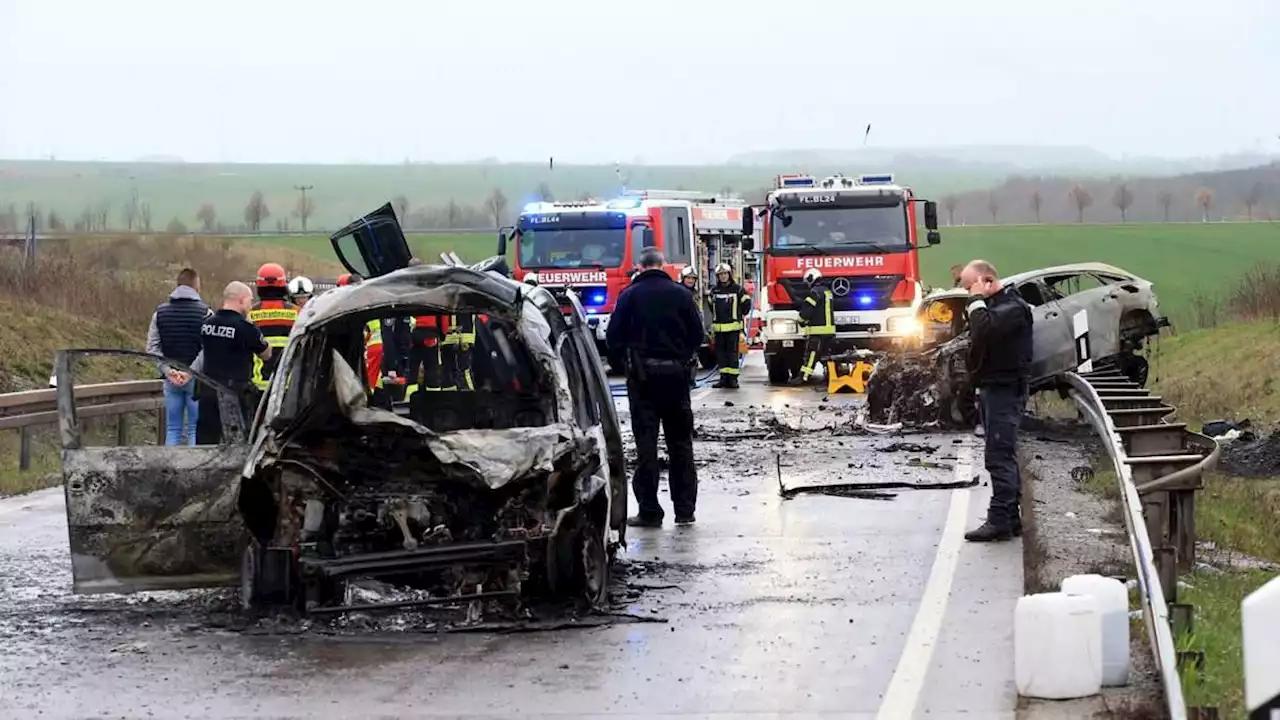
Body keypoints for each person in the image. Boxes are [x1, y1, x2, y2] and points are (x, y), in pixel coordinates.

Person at [606, 247, 705, 527]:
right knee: (681, 445)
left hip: (642, 379)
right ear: (662, 265)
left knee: (646, 447)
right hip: (676, 378)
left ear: (639, 266)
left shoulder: (628, 296)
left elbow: (613, 339)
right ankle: (685, 511)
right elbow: (698, 335)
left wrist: (626, 367)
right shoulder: (682, 295)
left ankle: (650, 511)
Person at [959, 259, 1033, 542]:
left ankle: (1000, 519)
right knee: (1001, 454)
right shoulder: (998, 307)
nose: (969, 294)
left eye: (970, 287)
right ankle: (1010, 519)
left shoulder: (1012, 308)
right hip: (994, 388)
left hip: (1005, 389)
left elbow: (983, 331)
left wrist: (977, 300)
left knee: (999, 456)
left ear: (987, 280)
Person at [190, 282, 270, 445]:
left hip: (208, 390)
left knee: (206, 439)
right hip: (234, 393)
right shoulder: (245, 327)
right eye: (249, 301)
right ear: (241, 300)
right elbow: (266, 354)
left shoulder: (207, 324)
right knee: (237, 442)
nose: (250, 306)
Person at [145, 267, 212, 446]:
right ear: (196, 286)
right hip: (196, 380)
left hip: (170, 380)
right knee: (194, 429)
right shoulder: (206, 313)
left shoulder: (159, 313)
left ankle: (169, 470)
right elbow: (209, 349)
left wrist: (168, 371)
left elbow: (152, 348)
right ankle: (193, 471)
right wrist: (190, 372)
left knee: (173, 429)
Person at [248, 263, 298, 391]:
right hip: (287, 385)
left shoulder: (250, 314)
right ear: (283, 285)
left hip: (256, 385)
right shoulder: (296, 313)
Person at [709, 262, 751, 389]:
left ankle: (733, 380)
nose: (723, 277)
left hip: (733, 329)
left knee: (732, 354)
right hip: (719, 329)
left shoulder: (738, 289)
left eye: (725, 274)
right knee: (721, 355)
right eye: (720, 275)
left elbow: (746, 305)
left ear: (729, 275)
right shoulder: (714, 290)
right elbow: (712, 307)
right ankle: (723, 379)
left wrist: (739, 316)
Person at [792, 268, 835, 385]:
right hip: (829, 330)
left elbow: (806, 312)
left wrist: (800, 320)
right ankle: (832, 377)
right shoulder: (827, 292)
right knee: (827, 355)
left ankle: (804, 377)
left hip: (817, 330)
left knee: (811, 354)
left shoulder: (814, 293)